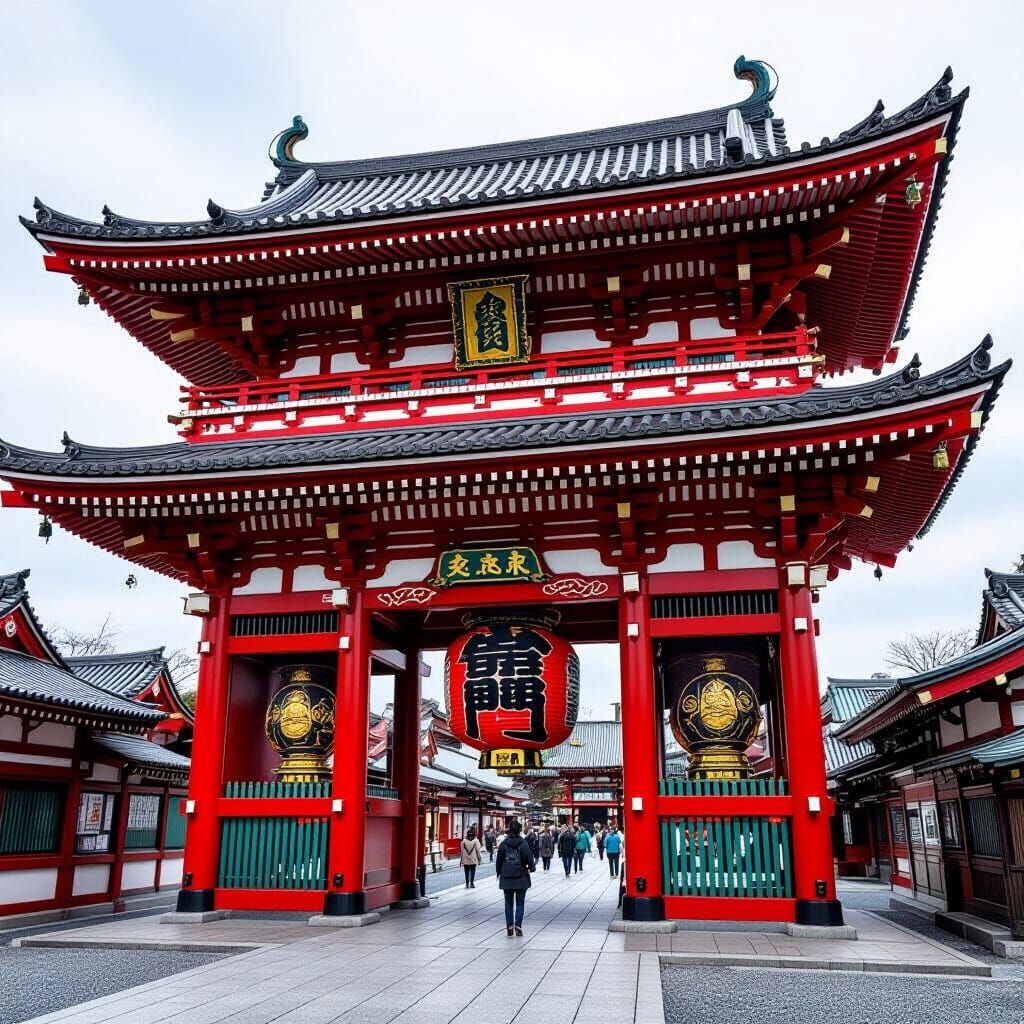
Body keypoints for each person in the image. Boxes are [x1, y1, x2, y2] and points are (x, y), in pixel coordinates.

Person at [495, 819, 536, 937]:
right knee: (520, 903)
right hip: (521, 877)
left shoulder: (503, 844)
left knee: (508, 903)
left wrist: (499, 873)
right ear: (519, 830)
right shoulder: (523, 844)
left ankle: (509, 925)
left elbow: (499, 861)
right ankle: (518, 925)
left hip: (506, 876)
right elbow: (529, 858)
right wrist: (532, 868)